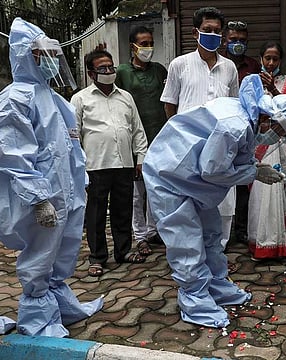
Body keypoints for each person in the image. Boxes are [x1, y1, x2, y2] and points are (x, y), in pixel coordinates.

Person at [143, 74, 286, 328]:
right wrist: (255, 172)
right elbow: (212, 170)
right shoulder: (235, 126)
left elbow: (227, 159)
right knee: (187, 240)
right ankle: (194, 298)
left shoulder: (247, 116)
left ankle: (215, 285)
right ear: (269, 118)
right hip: (169, 176)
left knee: (211, 233)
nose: (277, 136)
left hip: (189, 176)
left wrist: (253, 167)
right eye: (280, 130)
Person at [0, 18, 103, 337]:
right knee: (41, 254)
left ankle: (58, 303)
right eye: (42, 54)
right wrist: (38, 198)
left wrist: (80, 181)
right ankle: (38, 317)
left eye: (52, 55)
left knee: (65, 249)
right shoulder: (15, 98)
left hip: (68, 194)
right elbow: (13, 154)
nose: (51, 61)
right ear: (24, 56)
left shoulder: (55, 98)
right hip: (44, 197)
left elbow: (71, 146)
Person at [160, 6, 239, 273]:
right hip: (188, 148)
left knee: (224, 202)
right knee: (188, 203)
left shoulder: (229, 68)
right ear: (195, 32)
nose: (212, 35)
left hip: (221, 147)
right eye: (207, 30)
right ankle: (192, 262)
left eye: (217, 31)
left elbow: (235, 105)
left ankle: (218, 257)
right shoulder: (179, 64)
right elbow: (170, 105)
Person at [71, 49, 148, 277]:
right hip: (95, 165)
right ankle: (97, 258)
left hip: (124, 162)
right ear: (91, 73)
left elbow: (137, 130)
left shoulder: (125, 97)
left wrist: (140, 157)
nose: (108, 71)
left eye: (111, 67)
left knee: (122, 209)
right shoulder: (80, 99)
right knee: (95, 214)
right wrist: (79, 166)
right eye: (102, 68)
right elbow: (73, 135)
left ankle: (123, 251)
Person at [115, 25, 168, 256]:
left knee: (156, 188)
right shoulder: (123, 73)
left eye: (150, 43)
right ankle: (139, 235)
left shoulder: (159, 70)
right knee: (137, 190)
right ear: (132, 47)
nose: (148, 48)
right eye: (143, 44)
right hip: (136, 138)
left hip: (160, 136)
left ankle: (153, 229)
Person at [247, 41, 286, 260]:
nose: (271, 63)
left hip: (281, 145)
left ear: (281, 60)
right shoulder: (251, 82)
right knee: (260, 194)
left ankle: (280, 244)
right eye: (267, 58)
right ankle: (259, 244)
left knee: (279, 190)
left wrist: (273, 90)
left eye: (275, 59)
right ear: (261, 59)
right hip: (259, 145)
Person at [221, 20, 261, 250]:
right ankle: (220, 234)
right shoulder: (220, 65)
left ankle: (242, 231)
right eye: (233, 40)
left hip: (245, 131)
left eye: (242, 41)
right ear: (225, 40)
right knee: (221, 180)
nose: (238, 44)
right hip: (223, 131)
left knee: (243, 180)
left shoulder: (253, 66)